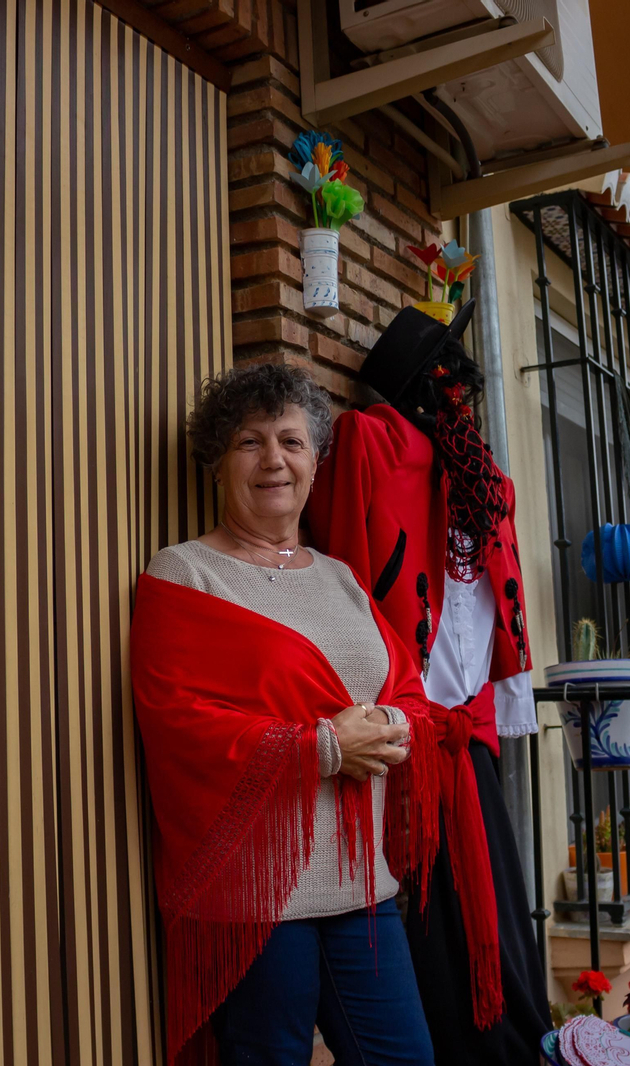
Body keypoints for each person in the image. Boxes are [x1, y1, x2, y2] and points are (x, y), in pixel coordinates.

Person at [131, 363, 445, 1066]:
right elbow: (177, 721)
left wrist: (391, 730)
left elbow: (405, 690)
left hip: (361, 887)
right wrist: (326, 747)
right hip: (255, 897)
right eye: (250, 442)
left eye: (292, 442)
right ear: (217, 461)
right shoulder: (184, 573)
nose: (274, 459)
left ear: (314, 461)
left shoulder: (338, 576)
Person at [307, 300, 554, 1064]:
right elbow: (347, 559)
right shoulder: (370, 442)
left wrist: (499, 697)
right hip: (400, 723)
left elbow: (500, 599)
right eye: (447, 370)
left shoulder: (485, 482)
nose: (464, 387)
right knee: (428, 918)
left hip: (461, 730)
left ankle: (501, 1046)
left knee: (488, 917)